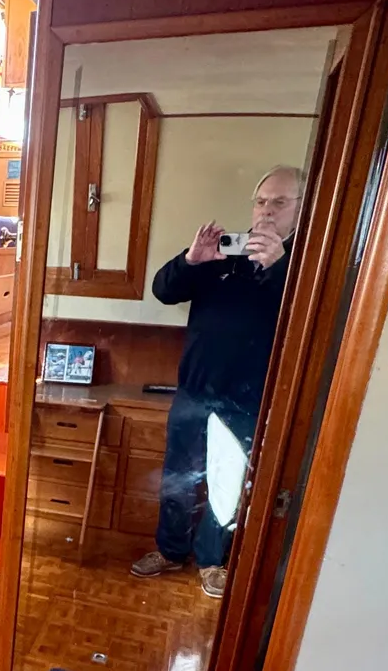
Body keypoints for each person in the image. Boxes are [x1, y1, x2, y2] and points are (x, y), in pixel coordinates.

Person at [130, 165, 305, 595]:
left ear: (301, 209)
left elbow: (312, 320)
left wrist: (281, 268)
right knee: (177, 477)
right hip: (194, 390)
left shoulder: (305, 264)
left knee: (228, 484)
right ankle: (171, 552)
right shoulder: (224, 252)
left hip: (248, 400)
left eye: (280, 203)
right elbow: (164, 290)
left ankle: (212, 560)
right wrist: (192, 261)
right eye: (261, 201)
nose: (266, 211)